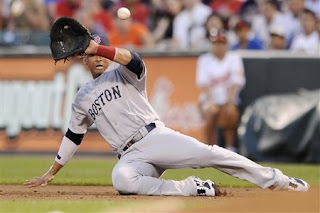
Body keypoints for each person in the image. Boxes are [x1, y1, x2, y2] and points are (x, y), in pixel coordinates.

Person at [24, 31, 310, 196]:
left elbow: (134, 59)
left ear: (106, 52)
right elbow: (74, 135)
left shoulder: (123, 74)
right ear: (82, 59)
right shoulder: (82, 97)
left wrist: (100, 48)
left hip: (155, 137)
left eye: (100, 52)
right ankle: (192, 188)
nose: (97, 58)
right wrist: (51, 172)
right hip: (130, 156)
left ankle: (279, 181)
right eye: (90, 54)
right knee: (122, 180)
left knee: (210, 154)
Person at [196, 31, 244, 152]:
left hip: (228, 99)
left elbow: (237, 82)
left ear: (226, 45)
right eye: (215, 43)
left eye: (221, 43)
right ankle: (209, 149)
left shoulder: (234, 58)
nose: (218, 46)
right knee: (210, 112)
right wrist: (211, 102)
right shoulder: (204, 59)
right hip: (210, 99)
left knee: (231, 113)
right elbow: (203, 83)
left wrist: (230, 101)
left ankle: (230, 148)